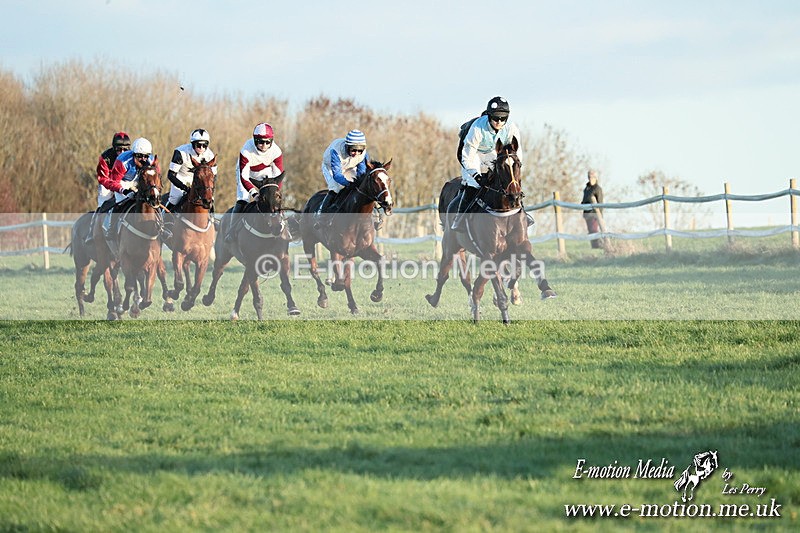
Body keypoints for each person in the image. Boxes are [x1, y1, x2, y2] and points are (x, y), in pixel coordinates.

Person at [451, 96, 523, 231]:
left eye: (503, 118)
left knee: (509, 183)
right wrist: (477, 176)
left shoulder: (511, 128)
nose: (499, 122)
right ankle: (459, 219)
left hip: (493, 153)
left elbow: (517, 154)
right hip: (473, 155)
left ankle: (521, 214)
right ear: (489, 116)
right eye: (496, 118)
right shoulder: (477, 128)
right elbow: (467, 156)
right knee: (474, 184)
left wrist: (515, 172)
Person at [225, 122, 284, 243]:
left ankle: (284, 226)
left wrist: (275, 193)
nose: (264, 145)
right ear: (255, 140)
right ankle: (231, 231)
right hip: (247, 174)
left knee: (274, 198)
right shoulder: (246, 150)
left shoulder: (277, 151)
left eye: (268, 142)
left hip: (265, 172)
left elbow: (278, 178)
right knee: (243, 199)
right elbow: (244, 177)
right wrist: (254, 194)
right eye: (260, 142)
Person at [99, 138, 160, 253]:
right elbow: (113, 182)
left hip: (141, 180)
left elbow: (156, 176)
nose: (143, 160)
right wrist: (124, 191)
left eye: (146, 156)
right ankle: (112, 228)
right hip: (123, 181)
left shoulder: (151, 161)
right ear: (134, 154)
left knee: (152, 202)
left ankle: (161, 226)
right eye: (140, 156)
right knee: (120, 203)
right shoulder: (122, 162)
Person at [316, 129, 370, 229]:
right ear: (347, 147)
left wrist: (358, 184)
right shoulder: (336, 151)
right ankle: (321, 216)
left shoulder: (364, 154)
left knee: (360, 188)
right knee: (336, 188)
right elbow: (337, 175)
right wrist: (349, 184)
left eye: (359, 150)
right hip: (330, 167)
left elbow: (362, 172)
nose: (356, 153)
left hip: (349, 167)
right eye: (353, 150)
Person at [85, 132, 131, 245]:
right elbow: (103, 179)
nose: (122, 152)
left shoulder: (131, 156)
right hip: (107, 182)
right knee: (103, 203)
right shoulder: (105, 158)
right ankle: (92, 231)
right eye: (119, 149)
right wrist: (115, 187)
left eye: (125, 149)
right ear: (114, 148)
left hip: (122, 181)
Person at [164, 128, 217, 212]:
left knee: (210, 201)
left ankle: (212, 220)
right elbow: (171, 175)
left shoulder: (210, 155)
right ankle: (164, 218)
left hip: (201, 182)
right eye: (198, 145)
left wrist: (210, 189)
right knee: (175, 198)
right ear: (192, 144)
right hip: (181, 178)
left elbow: (214, 177)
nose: (201, 148)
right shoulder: (181, 152)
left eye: (205, 145)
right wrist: (184, 187)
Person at [581, 169, 604, 249]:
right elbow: (584, 200)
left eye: (592, 177)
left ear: (596, 178)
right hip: (587, 214)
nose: (590, 178)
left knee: (594, 230)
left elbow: (600, 202)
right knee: (591, 231)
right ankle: (594, 246)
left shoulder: (597, 189)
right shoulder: (586, 189)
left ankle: (599, 245)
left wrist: (599, 216)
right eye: (589, 177)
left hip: (594, 214)